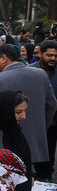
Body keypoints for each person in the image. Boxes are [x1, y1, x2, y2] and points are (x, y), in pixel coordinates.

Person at [0, 44, 57, 181]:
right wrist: (42, 127)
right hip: (39, 145)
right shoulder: (40, 74)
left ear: (3, 58)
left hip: (10, 149)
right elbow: (52, 105)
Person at [31, 40, 57, 182]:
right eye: (49, 55)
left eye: (55, 56)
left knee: (49, 150)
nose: (52, 58)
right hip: (34, 120)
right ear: (40, 54)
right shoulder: (30, 71)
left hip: (52, 123)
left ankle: (46, 176)